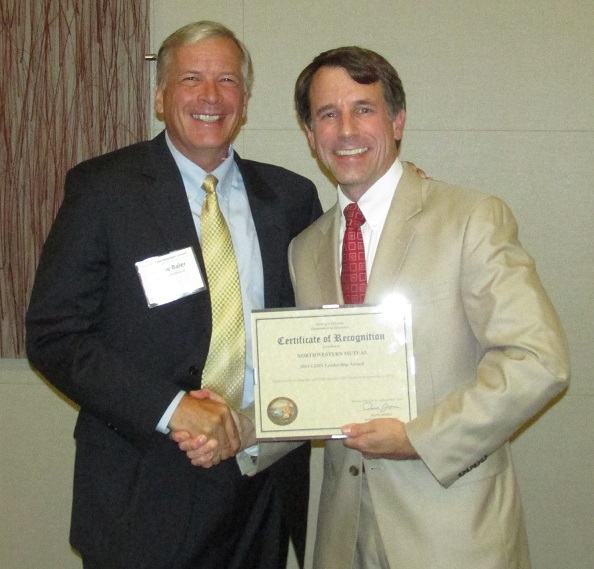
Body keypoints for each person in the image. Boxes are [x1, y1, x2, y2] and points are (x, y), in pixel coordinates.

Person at [26, 20, 322, 569]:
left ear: (246, 100)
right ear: (162, 97)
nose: (211, 96)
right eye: (191, 78)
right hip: (144, 489)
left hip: (262, 487)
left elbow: (323, 322)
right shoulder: (102, 190)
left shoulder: (291, 198)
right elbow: (56, 335)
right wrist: (173, 410)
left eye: (227, 80)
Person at [287, 46, 570, 569]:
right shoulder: (304, 249)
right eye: (328, 114)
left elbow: (539, 360)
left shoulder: (470, 218)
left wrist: (419, 437)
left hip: (454, 534)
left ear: (397, 121)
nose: (346, 128)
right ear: (310, 134)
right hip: (342, 536)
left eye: (364, 109)